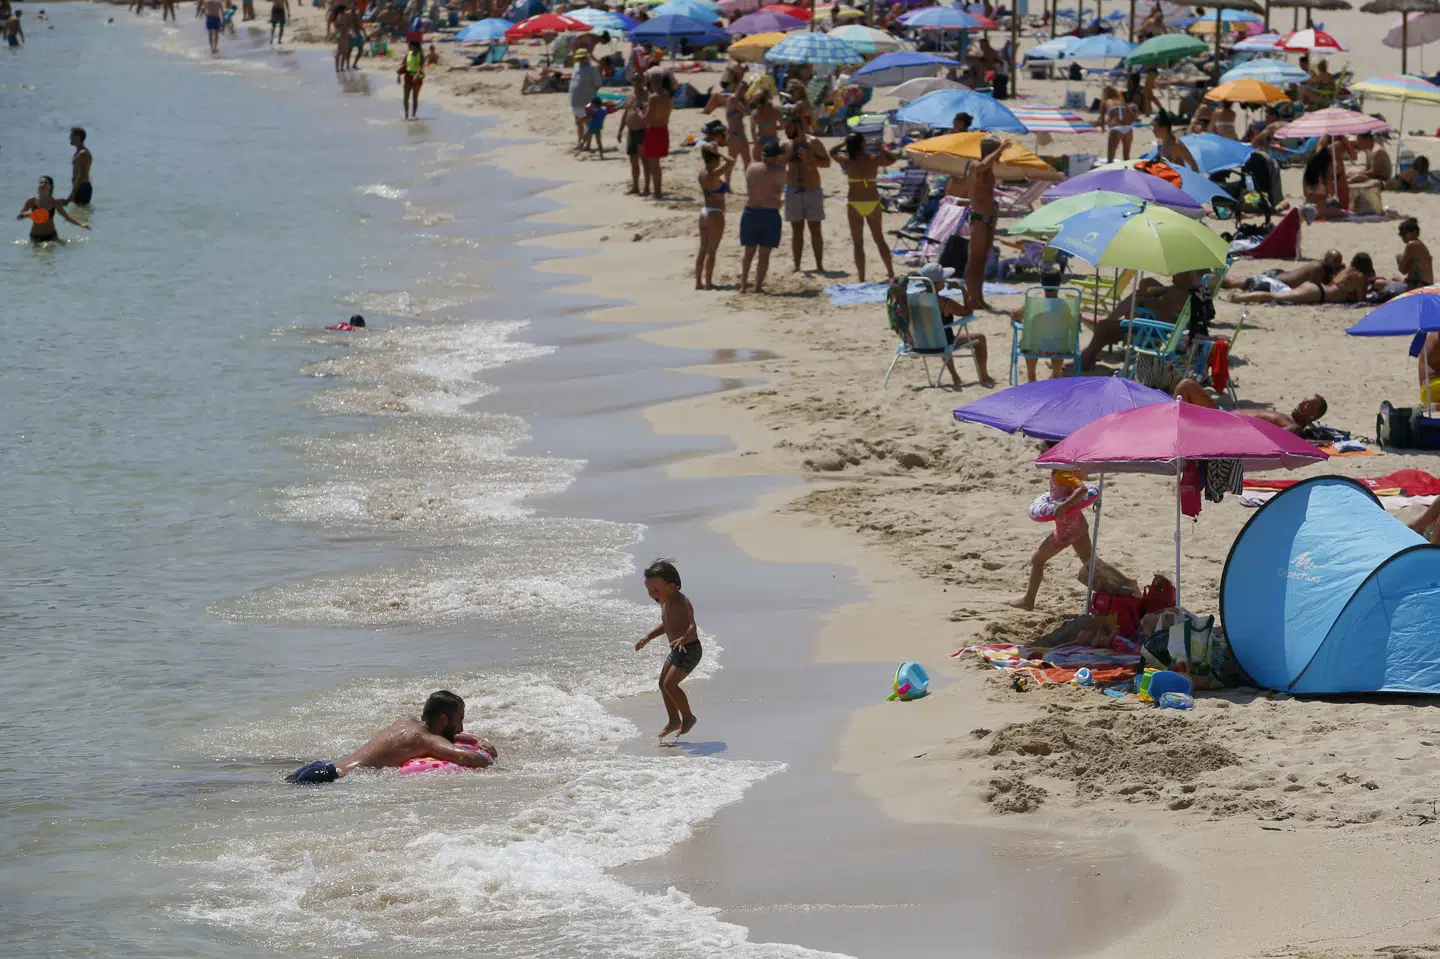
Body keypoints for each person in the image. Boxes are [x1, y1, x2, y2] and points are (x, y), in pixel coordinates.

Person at [285, 690, 496, 784]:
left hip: (323, 767)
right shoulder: (427, 740)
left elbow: (451, 736)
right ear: (443, 719)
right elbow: (472, 759)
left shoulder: (406, 722)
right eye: (459, 719)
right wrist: (484, 750)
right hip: (331, 779)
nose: (461, 727)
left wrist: (471, 739)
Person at [1008, 469, 1095, 611]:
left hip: (1065, 532)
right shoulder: (1068, 471)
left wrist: (1064, 505)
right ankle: (1118, 588)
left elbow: (1083, 490)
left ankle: (1028, 601)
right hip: (1079, 525)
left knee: (1037, 560)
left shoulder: (1061, 474)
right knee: (1091, 564)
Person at [633, 559, 700, 740]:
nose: (652, 595)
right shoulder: (665, 601)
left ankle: (688, 718)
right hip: (677, 650)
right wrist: (648, 637)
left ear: (671, 586)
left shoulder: (681, 602)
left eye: (655, 590)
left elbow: (692, 625)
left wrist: (683, 638)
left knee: (670, 684)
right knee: (663, 684)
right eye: (649, 591)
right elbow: (666, 624)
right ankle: (674, 720)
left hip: (690, 649)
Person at [1080, 271, 1198, 370]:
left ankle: (1086, 357)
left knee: (1104, 326)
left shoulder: (1183, 294)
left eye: (1177, 273)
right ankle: (1088, 356)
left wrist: (1145, 300)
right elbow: (1163, 297)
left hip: (1152, 330)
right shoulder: (1180, 290)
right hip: (1149, 328)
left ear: (1187, 275)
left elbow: (1164, 309)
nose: (1173, 276)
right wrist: (1151, 293)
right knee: (1144, 286)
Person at [829, 132, 896, 283]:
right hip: (872, 202)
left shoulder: (847, 160)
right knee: (879, 239)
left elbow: (832, 152)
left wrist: (843, 143)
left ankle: (861, 278)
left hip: (855, 204)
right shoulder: (873, 159)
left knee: (858, 244)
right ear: (862, 145)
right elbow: (892, 159)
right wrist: (881, 148)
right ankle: (891, 272)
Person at [916, 262, 995, 388]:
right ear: (938, 283)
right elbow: (968, 312)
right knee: (980, 338)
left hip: (920, 343)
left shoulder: (915, 298)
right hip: (940, 343)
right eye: (943, 278)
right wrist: (963, 290)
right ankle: (984, 376)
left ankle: (954, 375)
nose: (945, 280)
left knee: (939, 334)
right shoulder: (944, 302)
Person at [1174, 379, 1326, 434]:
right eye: (1304, 400)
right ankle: (1173, 424)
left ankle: (1170, 426)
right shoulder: (1287, 419)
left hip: (1221, 422)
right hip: (1221, 416)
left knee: (1186, 385)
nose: (1301, 403)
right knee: (1185, 392)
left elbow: (1278, 437)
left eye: (1308, 405)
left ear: (1313, 416)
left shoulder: (1294, 426)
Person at [963, 136, 1008, 314]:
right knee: (974, 260)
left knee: (982, 260)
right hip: (979, 217)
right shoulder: (975, 166)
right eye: (996, 152)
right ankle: (971, 298)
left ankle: (979, 297)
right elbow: (982, 165)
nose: (999, 156)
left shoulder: (990, 170)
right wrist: (1000, 149)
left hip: (990, 217)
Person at [1229, 252, 1374, 304]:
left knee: (1278, 295)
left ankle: (1241, 295)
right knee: (1275, 297)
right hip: (1319, 294)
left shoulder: (1345, 271)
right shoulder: (1360, 277)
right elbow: (1360, 300)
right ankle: (1239, 298)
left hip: (1316, 288)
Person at [782, 114, 830, 273]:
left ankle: (819, 265)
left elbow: (827, 163)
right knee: (796, 230)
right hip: (792, 190)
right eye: (785, 127)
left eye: (789, 127)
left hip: (812, 189)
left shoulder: (813, 142)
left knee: (815, 229)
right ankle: (797, 266)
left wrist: (810, 160)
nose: (786, 130)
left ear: (798, 126)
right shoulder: (786, 145)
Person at [739, 140, 786, 294]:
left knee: (748, 253)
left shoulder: (751, 167)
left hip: (750, 212)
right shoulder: (779, 170)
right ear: (776, 156)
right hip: (769, 213)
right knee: (764, 255)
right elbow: (780, 188)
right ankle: (758, 286)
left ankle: (743, 285)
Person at [1009, 266, 1070, 382]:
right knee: (1058, 340)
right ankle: (1056, 373)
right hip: (1058, 348)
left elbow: (1015, 315)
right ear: (1059, 284)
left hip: (1034, 347)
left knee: (1030, 341)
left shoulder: (1033, 304)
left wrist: (1015, 320)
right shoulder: (1065, 306)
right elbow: (1074, 323)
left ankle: (1032, 377)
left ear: (1042, 283)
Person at [695, 145, 735, 291]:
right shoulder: (713, 174)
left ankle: (698, 282)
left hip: (704, 212)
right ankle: (708, 284)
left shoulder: (702, 173)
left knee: (702, 249)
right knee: (711, 251)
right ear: (715, 158)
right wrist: (720, 153)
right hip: (715, 214)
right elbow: (731, 161)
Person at [1222, 249, 1343, 292]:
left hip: (1280, 275)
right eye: (1336, 262)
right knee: (1238, 283)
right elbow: (1316, 289)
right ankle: (1217, 279)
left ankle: (1220, 276)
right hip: (1276, 281)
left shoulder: (1322, 265)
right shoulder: (1319, 268)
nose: (1337, 265)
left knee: (1244, 281)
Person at [18, 175, 90, 243]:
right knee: (38, 252)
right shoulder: (32, 200)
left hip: (52, 235)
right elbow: (20, 215)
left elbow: (66, 217)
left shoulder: (55, 202)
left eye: (45, 183)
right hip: (35, 236)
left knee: (64, 248)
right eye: (41, 183)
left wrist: (81, 224)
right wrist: (28, 214)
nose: (42, 184)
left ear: (50, 187)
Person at [641, 70, 674, 198]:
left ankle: (657, 192)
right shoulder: (667, 95)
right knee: (656, 164)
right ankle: (657, 190)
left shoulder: (653, 97)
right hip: (663, 129)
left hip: (653, 130)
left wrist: (641, 113)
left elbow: (647, 118)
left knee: (653, 164)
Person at [702, 80, 751, 166]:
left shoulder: (739, 100)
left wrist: (745, 99)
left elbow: (748, 111)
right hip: (734, 135)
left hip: (741, 134)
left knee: (747, 161)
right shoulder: (733, 99)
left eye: (745, 89)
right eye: (743, 88)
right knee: (732, 162)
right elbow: (746, 111)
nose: (744, 91)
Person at [616, 76, 649, 194]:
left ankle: (647, 188)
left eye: (639, 80)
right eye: (635, 80)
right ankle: (635, 187)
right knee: (633, 161)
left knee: (645, 161)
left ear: (644, 82)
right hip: (631, 132)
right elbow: (625, 114)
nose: (637, 82)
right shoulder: (630, 96)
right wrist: (620, 130)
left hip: (642, 132)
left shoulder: (647, 96)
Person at [568, 49, 601, 150]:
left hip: (587, 100)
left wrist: (591, 95)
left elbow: (597, 84)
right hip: (575, 99)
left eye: (582, 58)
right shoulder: (576, 66)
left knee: (588, 123)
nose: (580, 60)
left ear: (586, 57)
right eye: (579, 58)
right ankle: (579, 143)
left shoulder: (592, 68)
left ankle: (587, 145)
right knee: (578, 122)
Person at [1099, 86, 1136, 162]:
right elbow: (1133, 117)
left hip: (1116, 129)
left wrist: (1103, 128)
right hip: (1128, 128)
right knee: (1126, 157)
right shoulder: (1122, 102)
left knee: (1110, 159)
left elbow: (1102, 119)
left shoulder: (1105, 102)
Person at [397, 39, 424, 119]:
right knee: (405, 98)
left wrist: (416, 75)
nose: (408, 47)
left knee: (415, 98)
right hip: (408, 77)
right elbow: (403, 65)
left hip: (417, 78)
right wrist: (399, 76)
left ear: (414, 46)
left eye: (409, 45)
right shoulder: (408, 54)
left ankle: (413, 115)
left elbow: (421, 67)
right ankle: (406, 115)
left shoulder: (420, 55)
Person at [66, 127, 93, 208]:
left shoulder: (83, 153)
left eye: (72, 136)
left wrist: (73, 193)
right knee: (78, 212)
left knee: (81, 211)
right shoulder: (78, 152)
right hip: (79, 187)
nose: (69, 138)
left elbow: (82, 174)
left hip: (83, 187)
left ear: (78, 137)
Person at [749, 88, 781, 155]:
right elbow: (783, 125)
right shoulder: (776, 110)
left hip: (761, 141)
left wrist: (756, 143)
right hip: (773, 141)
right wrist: (774, 127)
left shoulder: (755, 113)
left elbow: (752, 130)